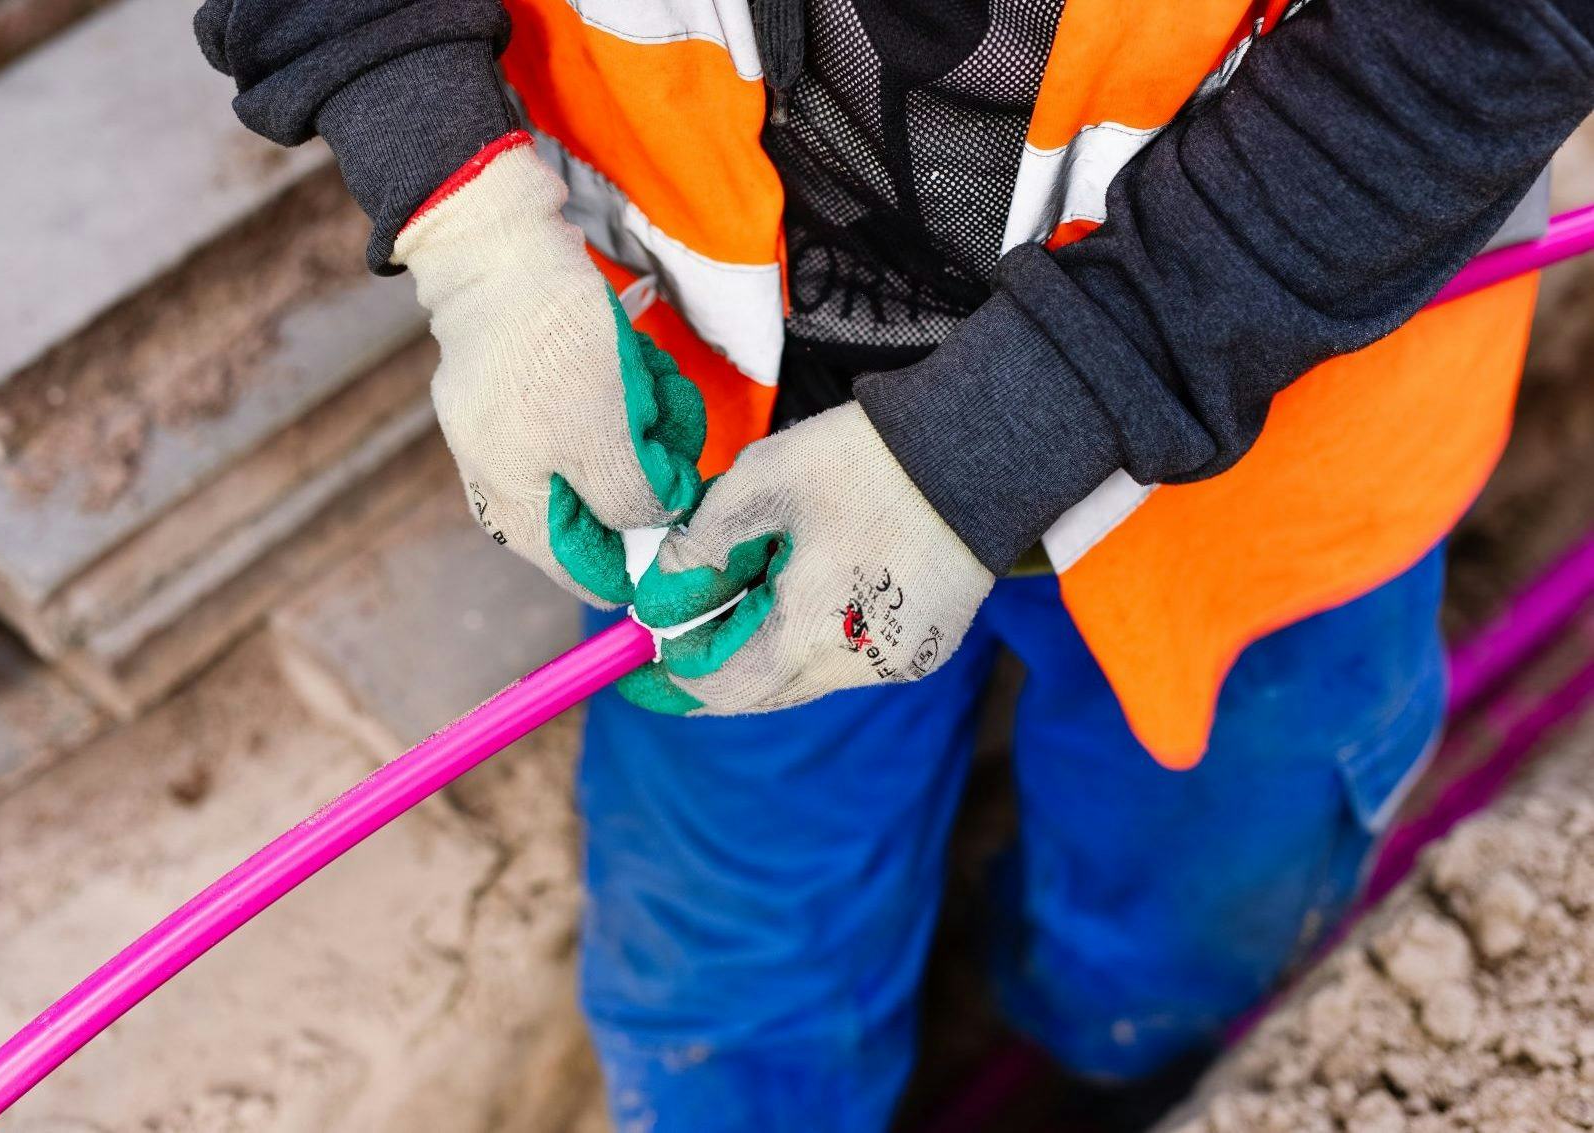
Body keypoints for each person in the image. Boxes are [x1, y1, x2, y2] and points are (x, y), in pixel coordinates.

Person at [196, 1, 1594, 1127]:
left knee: (1181, 938)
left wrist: (1008, 428)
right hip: (735, 418)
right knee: (733, 973)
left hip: (1257, 459)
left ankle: (1105, 1071)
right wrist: (474, 231)